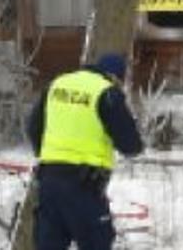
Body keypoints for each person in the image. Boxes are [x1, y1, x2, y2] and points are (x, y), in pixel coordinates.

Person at [26, 53, 145, 250]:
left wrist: (49, 154)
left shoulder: (57, 85)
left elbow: (33, 127)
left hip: (49, 183)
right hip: (84, 187)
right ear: (115, 77)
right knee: (97, 242)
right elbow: (130, 145)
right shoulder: (107, 93)